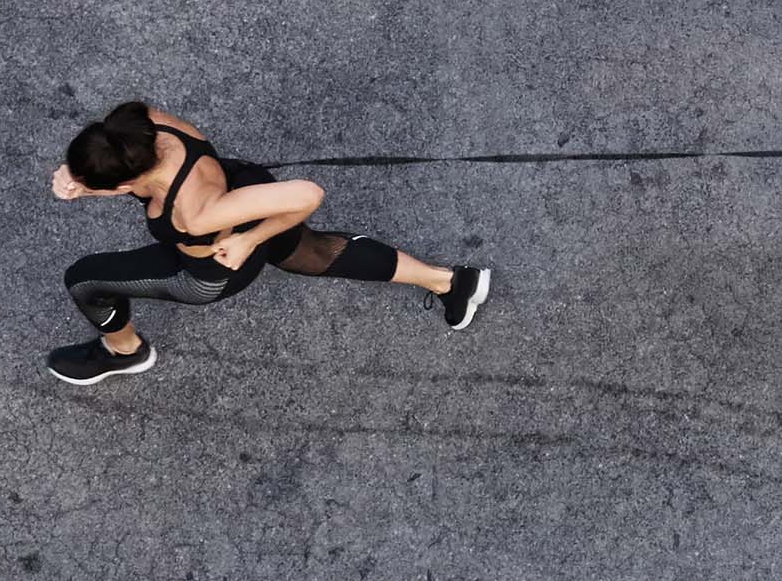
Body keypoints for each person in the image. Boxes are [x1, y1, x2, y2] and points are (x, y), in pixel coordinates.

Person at [44, 99, 488, 385]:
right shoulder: (144, 122)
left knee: (84, 280)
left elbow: (309, 194)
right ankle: (451, 283)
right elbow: (134, 173)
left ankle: (125, 353)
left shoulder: (190, 211)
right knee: (311, 252)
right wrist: (86, 178)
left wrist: (249, 240)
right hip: (245, 190)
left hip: (213, 268)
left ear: (124, 185)